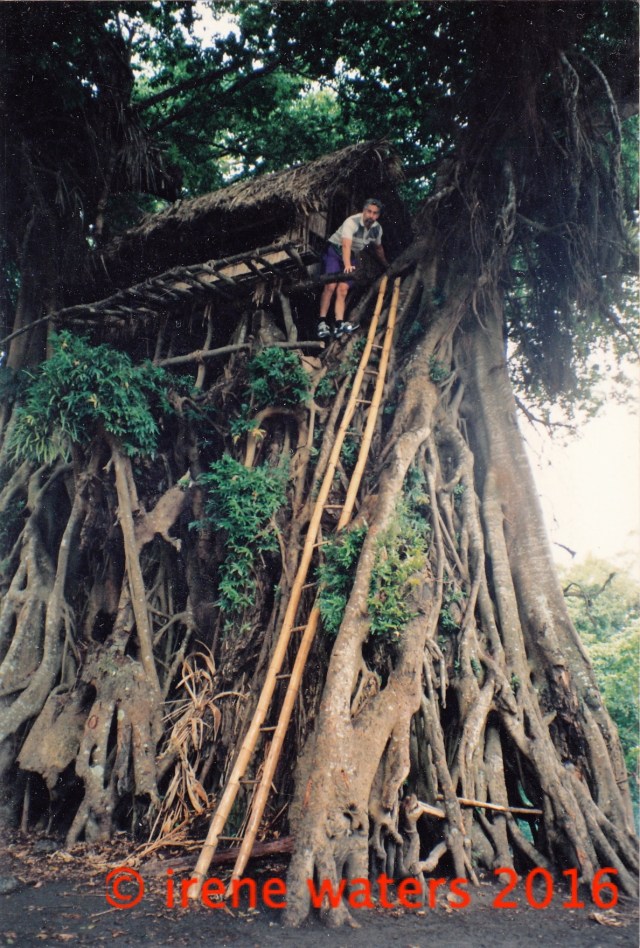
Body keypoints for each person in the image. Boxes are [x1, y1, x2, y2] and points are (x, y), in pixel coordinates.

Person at [317, 198, 389, 339]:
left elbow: (378, 248)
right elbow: (345, 245)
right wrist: (348, 265)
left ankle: (339, 324)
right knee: (330, 286)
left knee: (343, 289)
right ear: (364, 211)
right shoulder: (352, 222)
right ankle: (321, 323)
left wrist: (386, 264)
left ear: (378, 215)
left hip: (351, 256)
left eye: (375, 213)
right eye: (369, 212)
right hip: (335, 252)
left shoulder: (377, 229)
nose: (371, 216)